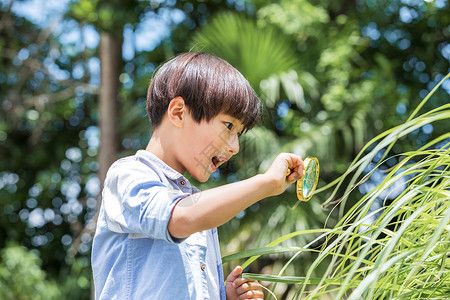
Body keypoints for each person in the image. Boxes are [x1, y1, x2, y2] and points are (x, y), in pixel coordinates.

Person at [91, 52, 304, 300]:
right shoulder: (128, 174)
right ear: (179, 112)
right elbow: (179, 218)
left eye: (239, 133)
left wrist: (226, 296)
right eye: (228, 126)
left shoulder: (196, 205)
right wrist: (265, 183)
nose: (235, 146)